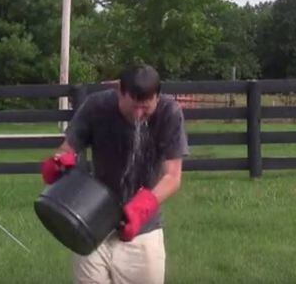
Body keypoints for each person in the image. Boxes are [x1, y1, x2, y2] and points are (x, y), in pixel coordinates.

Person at [41, 64, 189, 284]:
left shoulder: (169, 113)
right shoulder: (97, 106)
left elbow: (173, 176)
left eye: (146, 108)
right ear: (119, 91)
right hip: (92, 224)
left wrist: (141, 208)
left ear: (157, 97)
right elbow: (67, 149)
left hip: (144, 232)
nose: (139, 114)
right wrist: (59, 162)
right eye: (133, 107)